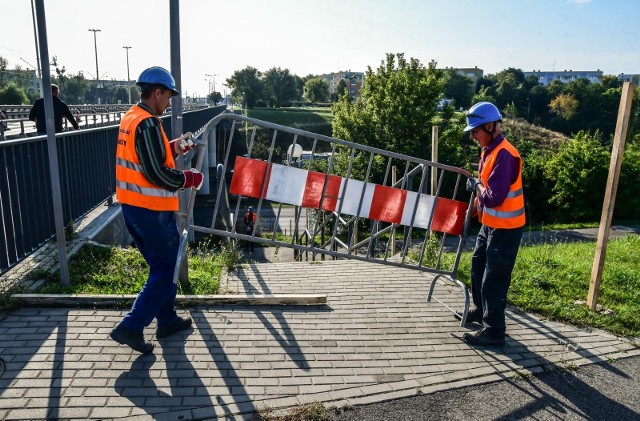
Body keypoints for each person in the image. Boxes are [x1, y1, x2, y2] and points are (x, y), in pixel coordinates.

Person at [110, 66, 203, 354]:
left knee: (161, 267)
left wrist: (174, 148)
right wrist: (188, 178)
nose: (169, 103)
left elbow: (148, 156)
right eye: (168, 97)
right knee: (167, 270)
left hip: (134, 207)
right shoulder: (148, 123)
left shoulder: (132, 117)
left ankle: (167, 319)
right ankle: (131, 326)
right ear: (157, 92)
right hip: (151, 209)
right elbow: (155, 173)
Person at [461, 102, 525, 347]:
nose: (472, 135)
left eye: (475, 130)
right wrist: (471, 215)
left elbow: (494, 197)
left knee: (494, 280)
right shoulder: (489, 150)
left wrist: (475, 185)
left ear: (490, 126)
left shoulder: (505, 154)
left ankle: (495, 331)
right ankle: (481, 311)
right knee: (478, 269)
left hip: (506, 229)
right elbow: (485, 195)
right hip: (490, 225)